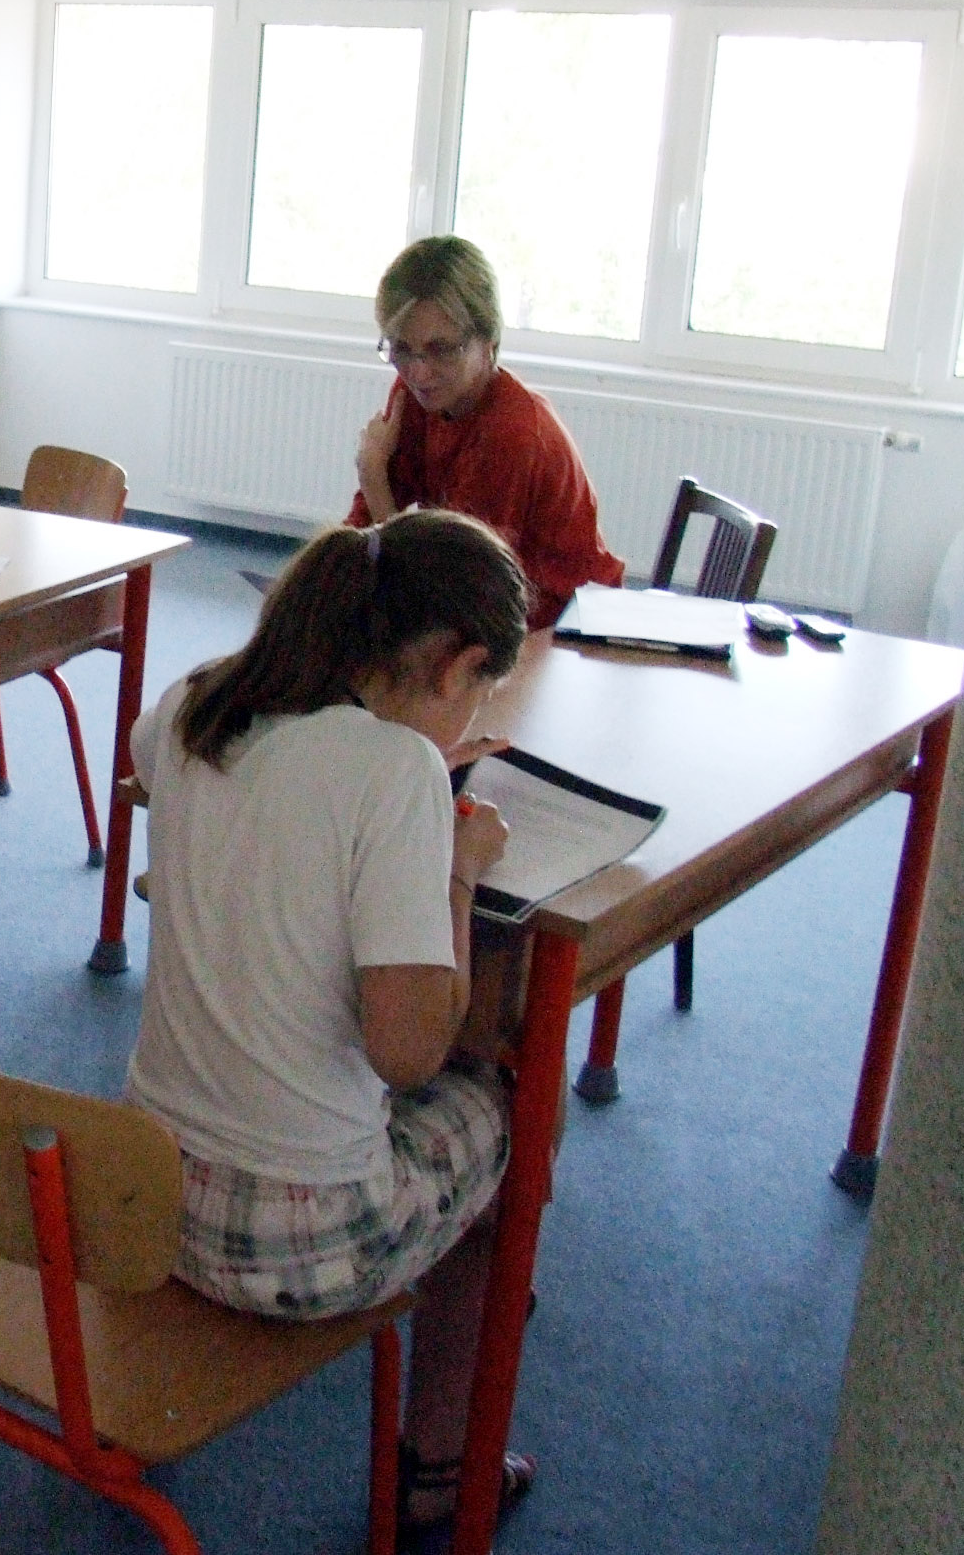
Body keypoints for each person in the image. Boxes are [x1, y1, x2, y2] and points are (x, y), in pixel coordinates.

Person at [123, 508, 537, 1541]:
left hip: (142, 1195)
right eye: (481, 691)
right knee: (514, 1107)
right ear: (459, 665)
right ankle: (440, 1462)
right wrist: (452, 866)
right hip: (299, 1251)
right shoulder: (396, 773)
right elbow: (409, 1053)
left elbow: (168, 784)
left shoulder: (194, 700)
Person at [348, 235, 624, 628]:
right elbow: (365, 533)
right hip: (486, 609)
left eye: (441, 349)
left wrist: (373, 477)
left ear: (489, 342)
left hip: (563, 627)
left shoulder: (513, 433)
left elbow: (452, 593)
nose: (418, 372)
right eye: (402, 349)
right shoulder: (418, 397)